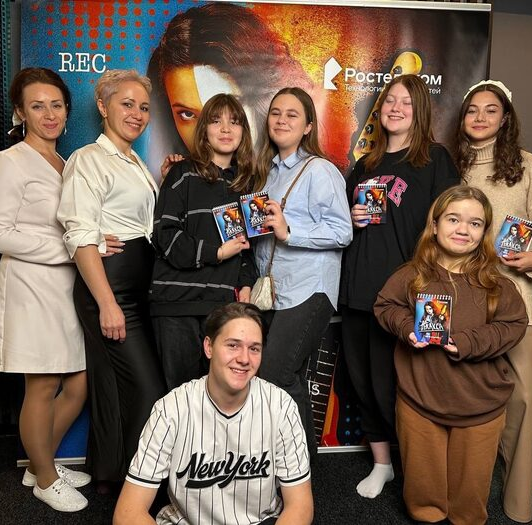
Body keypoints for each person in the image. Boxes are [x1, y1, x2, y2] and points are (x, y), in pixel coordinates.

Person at [374, 185, 528, 525]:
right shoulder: (410, 276)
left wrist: (469, 342)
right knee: (423, 495)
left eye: (475, 223)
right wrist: (406, 327)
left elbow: (514, 324)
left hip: (480, 406)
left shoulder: (498, 285)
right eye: (453, 219)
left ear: (484, 233)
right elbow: (385, 306)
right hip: (419, 401)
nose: (463, 229)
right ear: (434, 225)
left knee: (469, 503)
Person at [338, 74, 460, 498]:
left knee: (399, 386)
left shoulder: (435, 160)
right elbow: (341, 228)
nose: (395, 108)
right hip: (357, 291)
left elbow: (451, 226)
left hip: (405, 297)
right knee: (363, 384)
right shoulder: (365, 165)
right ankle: (383, 465)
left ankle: (420, 470)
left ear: (420, 110)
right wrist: (350, 219)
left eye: (406, 102)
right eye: (389, 100)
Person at [455, 79, 532, 523]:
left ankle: (518, 502)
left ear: (505, 118)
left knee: (523, 400)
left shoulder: (527, 165)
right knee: (463, 396)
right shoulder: (449, 164)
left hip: (515, 299)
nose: (480, 117)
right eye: (472, 110)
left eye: (491, 110)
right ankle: (463, 492)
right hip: (461, 301)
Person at [0, 67, 90, 512]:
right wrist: (69, 249)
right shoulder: (10, 161)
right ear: (21, 112)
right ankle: (45, 478)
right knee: (42, 385)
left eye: (56, 105)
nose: (49, 114)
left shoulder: (67, 163)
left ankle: (38, 462)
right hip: (29, 288)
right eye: (37, 106)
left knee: (78, 384)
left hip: (65, 289)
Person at [57, 69, 166, 490]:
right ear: (103, 107)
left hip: (136, 289)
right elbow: (80, 235)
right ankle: (139, 490)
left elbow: (137, 223)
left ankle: (112, 478)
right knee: (148, 391)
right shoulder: (88, 159)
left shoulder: (135, 162)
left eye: (143, 107)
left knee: (114, 387)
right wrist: (107, 304)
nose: (137, 114)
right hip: (111, 290)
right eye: (127, 104)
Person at [113, 303, 313, 525]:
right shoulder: (171, 409)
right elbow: (127, 513)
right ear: (209, 347)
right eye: (233, 345)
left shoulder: (280, 405)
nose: (244, 358)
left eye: (254, 349)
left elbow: (300, 506)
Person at [253, 87, 353, 459]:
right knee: (284, 377)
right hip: (274, 293)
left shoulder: (320, 170)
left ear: (308, 126)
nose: (282, 120)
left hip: (309, 290)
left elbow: (343, 231)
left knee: (274, 374)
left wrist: (290, 230)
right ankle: (296, 463)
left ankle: (300, 467)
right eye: (276, 112)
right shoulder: (266, 173)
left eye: (292, 114)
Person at [150, 93, 258, 392]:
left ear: (243, 131)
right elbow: (165, 236)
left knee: (218, 396)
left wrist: (246, 283)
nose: (225, 129)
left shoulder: (246, 185)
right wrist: (217, 252)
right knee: (180, 398)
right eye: (215, 121)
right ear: (204, 130)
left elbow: (248, 250)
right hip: (177, 305)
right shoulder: (182, 173)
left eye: (234, 122)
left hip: (221, 310)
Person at [146, 2, 316, 173]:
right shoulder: (178, 178)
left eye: (230, 111)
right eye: (187, 114)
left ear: (261, 103)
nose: (210, 132)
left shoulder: (299, 173)